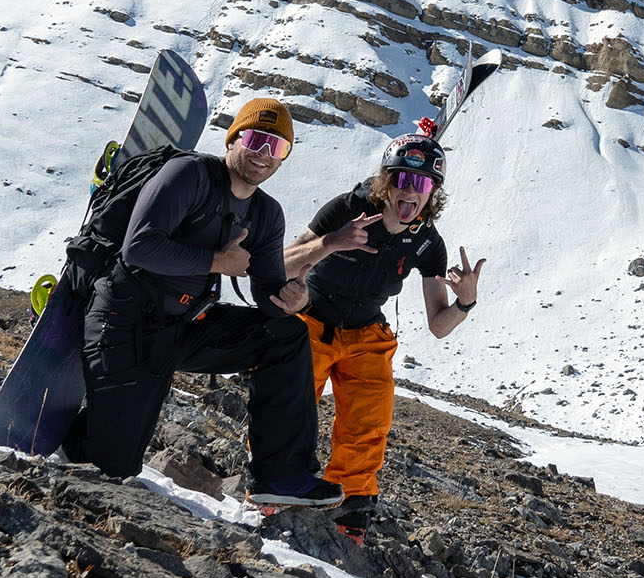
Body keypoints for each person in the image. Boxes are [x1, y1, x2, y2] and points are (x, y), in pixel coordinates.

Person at [63, 98, 343, 508]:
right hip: (123, 318)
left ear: (284, 159)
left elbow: (267, 296)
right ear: (233, 139)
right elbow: (138, 247)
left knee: (286, 334)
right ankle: (70, 433)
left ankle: (282, 476)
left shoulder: (266, 214)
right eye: (256, 139)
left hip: (185, 326)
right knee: (111, 468)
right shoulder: (189, 174)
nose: (264, 154)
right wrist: (217, 261)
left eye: (277, 147)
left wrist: (292, 301)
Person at [284, 130, 485, 526]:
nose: (411, 191)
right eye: (403, 180)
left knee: (368, 423)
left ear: (433, 193)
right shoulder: (347, 209)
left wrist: (466, 301)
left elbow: (439, 326)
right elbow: (285, 263)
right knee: (290, 406)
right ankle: (278, 484)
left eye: (423, 183)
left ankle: (350, 506)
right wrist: (329, 243)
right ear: (386, 182)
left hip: (366, 334)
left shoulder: (427, 243)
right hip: (310, 318)